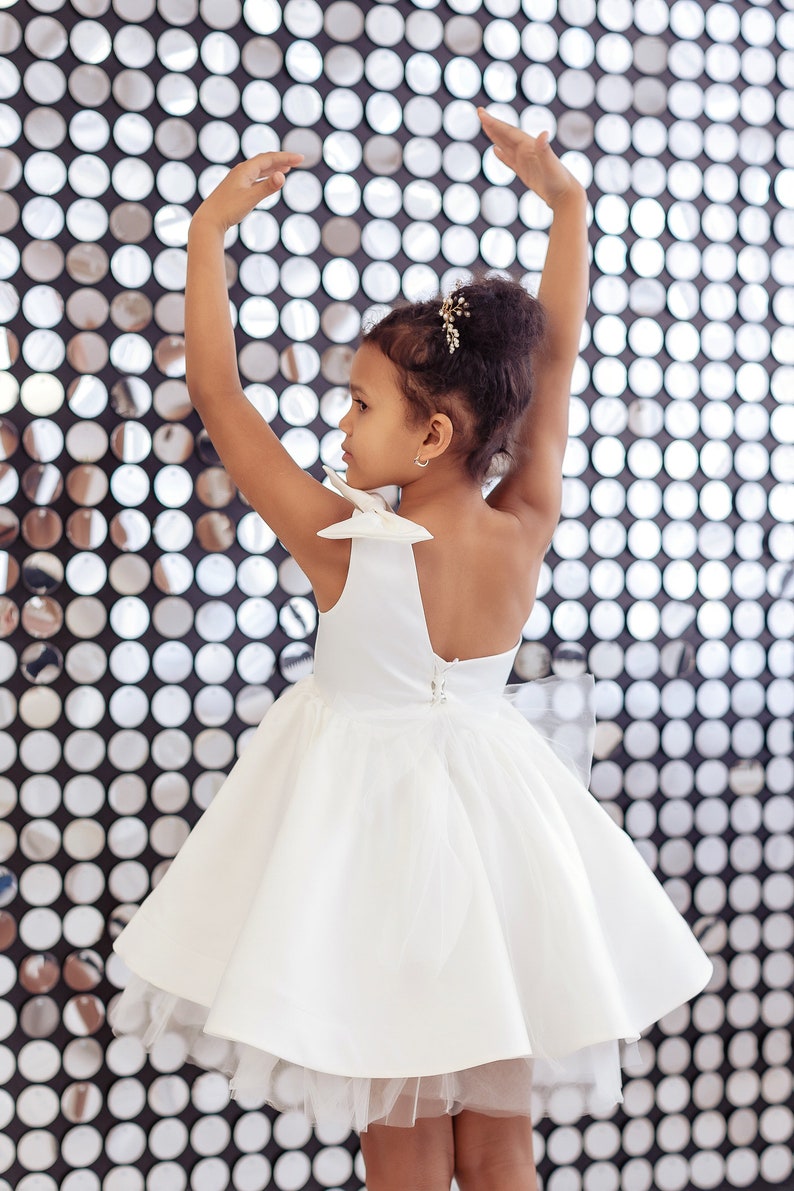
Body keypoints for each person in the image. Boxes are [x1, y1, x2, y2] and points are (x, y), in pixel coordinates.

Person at [108, 111, 714, 1191]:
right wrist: (564, 210)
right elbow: (554, 367)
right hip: (498, 843)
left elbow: (217, 396)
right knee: (497, 1142)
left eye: (356, 404)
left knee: (400, 1143)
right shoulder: (523, 516)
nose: (338, 426)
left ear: (432, 434)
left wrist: (208, 238)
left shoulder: (345, 543)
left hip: (375, 855)